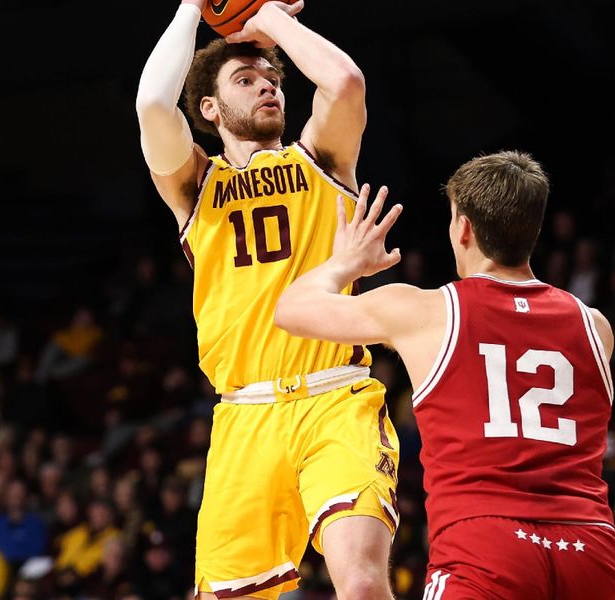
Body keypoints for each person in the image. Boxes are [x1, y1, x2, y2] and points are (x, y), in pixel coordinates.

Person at [275, 151, 615, 598]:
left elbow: (291, 310)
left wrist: (347, 262)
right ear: (534, 229)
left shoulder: (428, 312)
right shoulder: (595, 327)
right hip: (589, 547)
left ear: (462, 228)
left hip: (487, 546)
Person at [135, 2, 399, 599]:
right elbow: (153, 104)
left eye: (274, 80)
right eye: (246, 80)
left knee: (359, 580)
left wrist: (270, 19)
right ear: (209, 108)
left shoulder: (322, 160)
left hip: (335, 397)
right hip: (243, 415)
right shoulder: (195, 186)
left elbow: (345, 82)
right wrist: (190, 7)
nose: (268, 88)